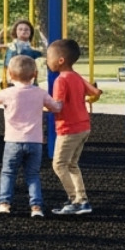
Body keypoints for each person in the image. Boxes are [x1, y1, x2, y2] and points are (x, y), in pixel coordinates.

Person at [0, 54, 61, 217]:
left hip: (13, 141)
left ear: (10, 74)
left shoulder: (7, 93)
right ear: (35, 75)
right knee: (32, 174)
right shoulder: (40, 93)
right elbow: (56, 108)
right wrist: (61, 101)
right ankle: (36, 207)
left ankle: (4, 204)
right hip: (35, 142)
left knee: (8, 173)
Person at [47, 38, 101, 216]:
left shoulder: (61, 80)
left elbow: (57, 106)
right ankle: (82, 200)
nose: (47, 61)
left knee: (59, 165)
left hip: (68, 129)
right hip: (83, 127)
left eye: (49, 57)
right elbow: (94, 92)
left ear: (60, 60)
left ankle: (75, 200)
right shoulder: (76, 76)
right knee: (72, 165)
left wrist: (39, 105)